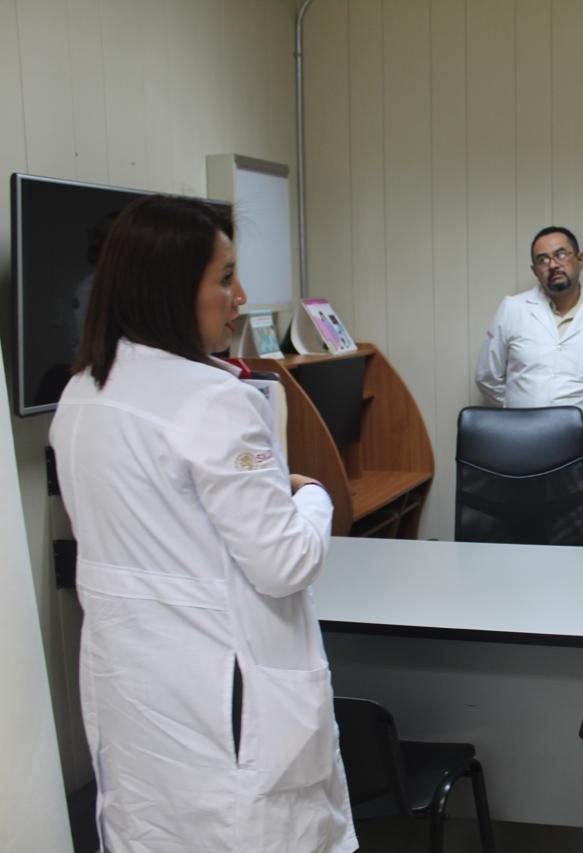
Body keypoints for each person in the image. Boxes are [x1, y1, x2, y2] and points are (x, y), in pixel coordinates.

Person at [50, 195, 356, 852]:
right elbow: (286, 562)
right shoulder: (213, 400)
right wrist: (313, 496)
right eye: (225, 278)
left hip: (142, 704)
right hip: (227, 711)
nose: (240, 297)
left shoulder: (82, 394)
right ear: (167, 288)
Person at [475, 226, 583, 541]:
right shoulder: (513, 310)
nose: (552, 264)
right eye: (542, 259)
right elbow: (488, 377)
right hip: (521, 454)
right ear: (534, 270)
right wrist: (522, 415)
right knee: (520, 541)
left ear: (580, 259)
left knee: (579, 544)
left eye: (560, 254)